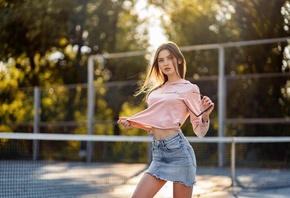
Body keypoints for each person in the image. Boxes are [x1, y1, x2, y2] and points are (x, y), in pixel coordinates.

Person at [117, 41, 214, 198]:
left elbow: (200, 130)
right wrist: (133, 122)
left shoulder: (189, 88)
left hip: (179, 153)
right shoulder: (157, 90)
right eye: (161, 60)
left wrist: (205, 115)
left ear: (179, 60)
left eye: (169, 58)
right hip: (158, 154)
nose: (165, 63)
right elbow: (156, 122)